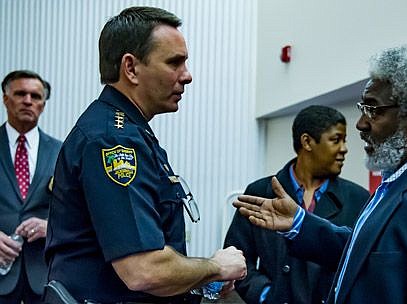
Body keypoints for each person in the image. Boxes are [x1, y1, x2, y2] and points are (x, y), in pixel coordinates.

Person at [233, 46, 407, 304]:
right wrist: (300, 224)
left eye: (373, 110)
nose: (361, 124)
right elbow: (364, 252)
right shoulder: (405, 178)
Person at [44, 6, 246, 303]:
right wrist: (216, 267)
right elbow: (142, 270)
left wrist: (201, 279)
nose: (187, 76)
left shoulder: (130, 131)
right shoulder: (113, 140)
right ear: (131, 68)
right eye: (174, 63)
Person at [224, 105, 370, 303]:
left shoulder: (358, 198)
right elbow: (237, 257)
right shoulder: (260, 192)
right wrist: (265, 295)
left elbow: (361, 264)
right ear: (307, 142)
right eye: (336, 140)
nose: (344, 149)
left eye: (344, 141)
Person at [0, 70, 61, 303]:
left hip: (44, 275)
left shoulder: (61, 152)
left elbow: (78, 211)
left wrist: (51, 226)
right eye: (20, 94)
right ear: (6, 99)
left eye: (35, 96)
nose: (28, 101)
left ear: (43, 105)